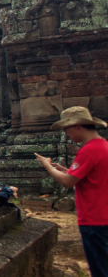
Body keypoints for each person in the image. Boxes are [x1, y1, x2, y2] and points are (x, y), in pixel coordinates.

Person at [35, 106, 108, 277]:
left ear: (77, 126)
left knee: (100, 270)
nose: (66, 133)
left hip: (94, 220)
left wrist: (47, 166)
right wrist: (67, 170)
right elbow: (91, 177)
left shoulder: (88, 150)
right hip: (103, 216)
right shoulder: (103, 145)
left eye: (66, 129)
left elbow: (68, 182)